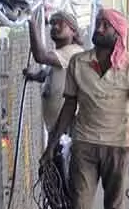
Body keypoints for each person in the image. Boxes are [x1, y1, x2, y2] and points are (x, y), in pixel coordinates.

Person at [44, 8, 129, 209]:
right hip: (84, 146)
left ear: (118, 33)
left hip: (118, 147)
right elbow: (69, 107)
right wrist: (52, 144)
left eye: (105, 25)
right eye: (98, 23)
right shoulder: (78, 62)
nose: (99, 28)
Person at [24, 9, 84, 182]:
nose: (55, 27)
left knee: (63, 180)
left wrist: (31, 23)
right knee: (57, 178)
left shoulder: (72, 52)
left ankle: (68, 208)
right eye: (53, 23)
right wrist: (34, 76)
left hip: (66, 129)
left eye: (60, 24)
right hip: (58, 128)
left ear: (73, 30)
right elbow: (47, 74)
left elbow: (40, 56)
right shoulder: (61, 53)